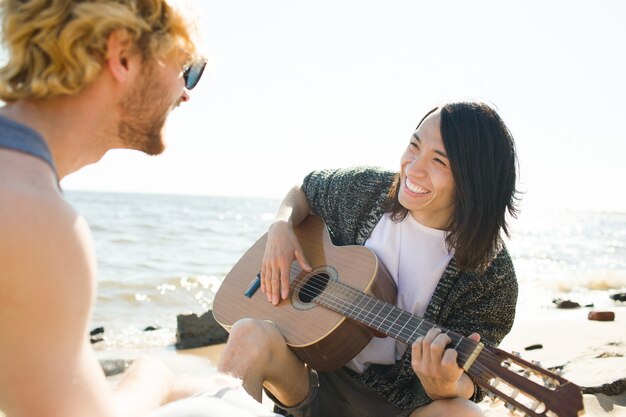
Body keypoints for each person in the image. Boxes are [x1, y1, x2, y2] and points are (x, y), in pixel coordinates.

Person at [0, 1, 252, 416]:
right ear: (122, 57)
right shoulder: (36, 219)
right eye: (187, 67)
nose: (187, 92)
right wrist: (153, 377)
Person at [218, 101, 520, 417]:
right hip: (312, 381)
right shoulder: (369, 192)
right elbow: (305, 189)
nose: (414, 168)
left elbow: (473, 380)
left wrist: (446, 386)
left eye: (439, 162)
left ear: (473, 180)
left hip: (397, 409)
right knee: (247, 332)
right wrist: (281, 225)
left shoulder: (492, 275)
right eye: (414, 146)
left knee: (463, 413)